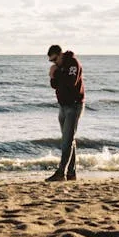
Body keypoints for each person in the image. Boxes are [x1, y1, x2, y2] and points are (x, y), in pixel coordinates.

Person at [45, 45, 85, 182]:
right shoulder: (59, 68)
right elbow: (55, 85)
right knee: (69, 140)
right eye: (51, 61)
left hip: (74, 106)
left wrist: (55, 73)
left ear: (60, 54)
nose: (54, 63)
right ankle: (72, 173)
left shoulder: (73, 63)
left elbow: (70, 82)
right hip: (62, 106)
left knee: (66, 141)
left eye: (55, 59)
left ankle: (61, 172)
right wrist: (52, 76)